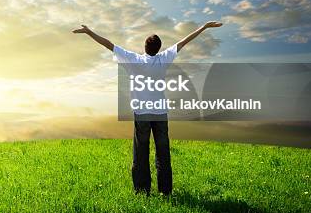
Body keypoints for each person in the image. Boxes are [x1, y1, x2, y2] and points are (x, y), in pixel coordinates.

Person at [72, 21, 223, 196]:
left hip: (142, 114)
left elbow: (108, 45)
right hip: (160, 114)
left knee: (141, 153)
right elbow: (183, 42)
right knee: (163, 152)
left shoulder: (133, 59)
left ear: (144, 46)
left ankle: (142, 191)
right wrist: (204, 27)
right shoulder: (163, 59)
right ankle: (165, 191)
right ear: (159, 49)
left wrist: (89, 32)